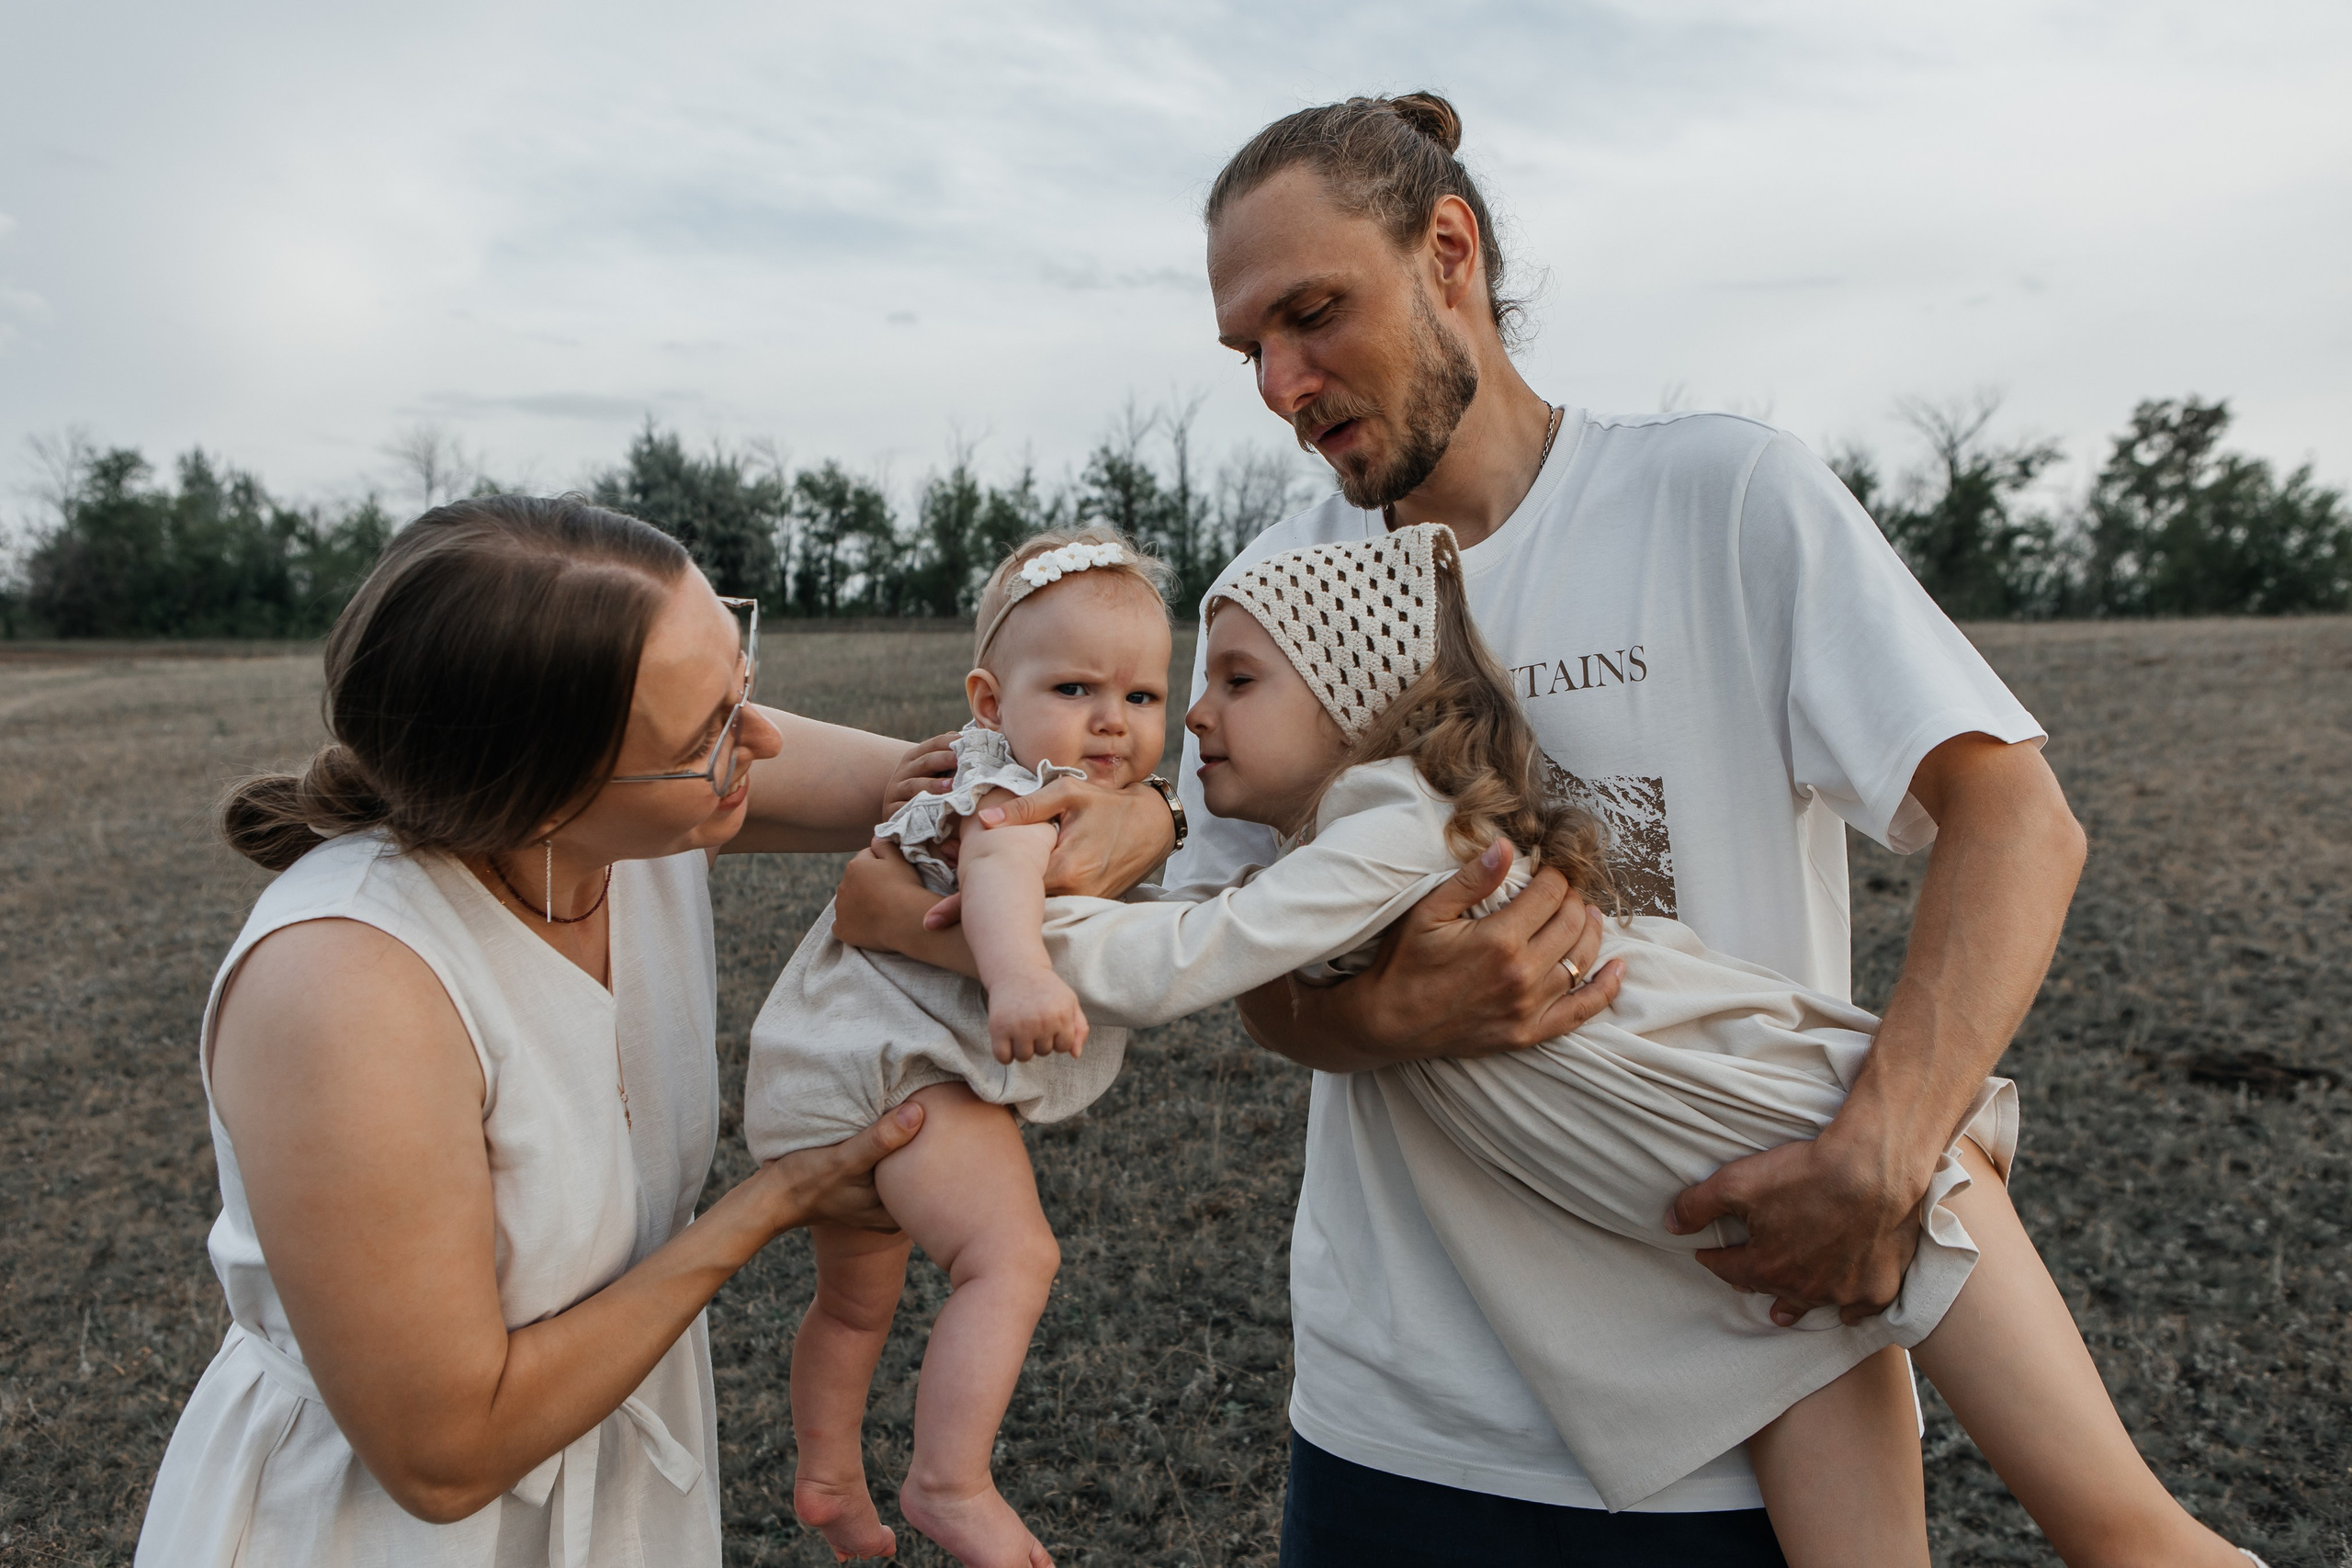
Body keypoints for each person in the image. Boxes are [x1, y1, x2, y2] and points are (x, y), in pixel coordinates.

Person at [841, 90, 2086, 1562]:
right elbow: (1265, 991)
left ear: (1449, 252)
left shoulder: (1721, 496)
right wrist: (1391, 1015)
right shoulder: (1271, 590)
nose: (1284, 383)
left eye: (1314, 315)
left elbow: (2016, 817)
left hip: (1741, 1375)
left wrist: (1881, 1149)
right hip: (1393, 1416)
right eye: (1251, 349)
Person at [902, 523, 2250, 1567]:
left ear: (1358, 695)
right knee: (1829, 1388)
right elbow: (1198, 893)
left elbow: (1185, 955)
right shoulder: (1350, 827)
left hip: (1794, 1130)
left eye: (1238, 681)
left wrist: (980, 917)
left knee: (2125, 1537)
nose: (1193, 719)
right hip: (1726, 1236)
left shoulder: (1389, 818)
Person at [134, 496, 1180, 1567]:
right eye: (714, 732)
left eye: (743, 684)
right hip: (376, 1534)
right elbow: (443, 1455)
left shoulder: (659, 800)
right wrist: (772, 1201)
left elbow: (1010, 781)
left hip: (619, 1495)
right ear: (543, 797)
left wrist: (1157, 815)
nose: (764, 741)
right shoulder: (345, 987)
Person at [741, 527, 1174, 1568]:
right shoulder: (1016, 796)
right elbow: (997, 879)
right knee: (1013, 1256)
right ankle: (950, 1479)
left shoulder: (1006, 773)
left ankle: (828, 1472)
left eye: (1145, 697)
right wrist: (1022, 978)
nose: (1112, 719)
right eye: (1074, 687)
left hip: (830, 1060)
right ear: (989, 700)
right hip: (905, 1069)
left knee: (854, 1300)